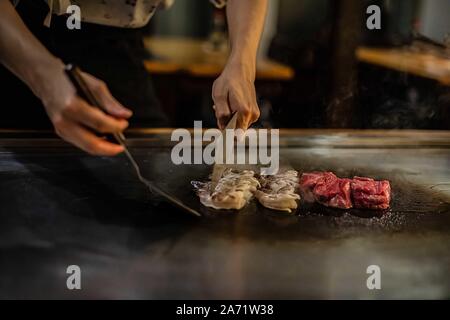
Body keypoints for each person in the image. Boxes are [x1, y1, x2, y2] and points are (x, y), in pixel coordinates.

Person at [0, 0, 267, 155]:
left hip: (120, 47)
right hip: (19, 45)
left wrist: (242, 64)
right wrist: (44, 77)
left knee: (150, 180)